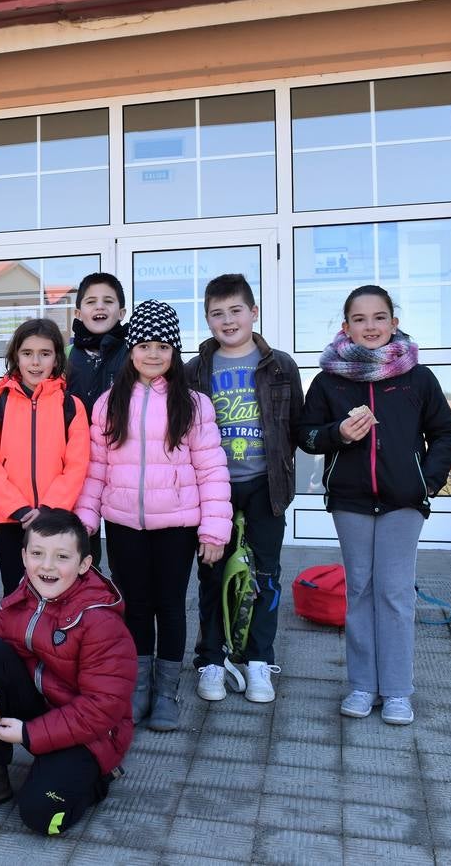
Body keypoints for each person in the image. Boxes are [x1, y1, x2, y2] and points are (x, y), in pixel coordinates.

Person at [298, 285, 451, 726]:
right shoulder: (330, 380)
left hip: (402, 503)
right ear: (345, 327)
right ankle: (362, 686)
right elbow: (306, 435)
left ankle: (397, 691)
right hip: (350, 501)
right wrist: (339, 434)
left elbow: (446, 433)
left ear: (394, 321)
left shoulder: (417, 378)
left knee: (394, 593)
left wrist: (424, 482)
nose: (371, 326)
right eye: (360, 319)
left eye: (379, 317)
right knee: (360, 591)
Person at [74, 299, 231, 732]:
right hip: (124, 524)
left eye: (163, 345)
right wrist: (86, 519)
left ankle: (166, 691)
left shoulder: (194, 404)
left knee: (170, 607)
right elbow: (97, 467)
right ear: (131, 348)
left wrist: (215, 529)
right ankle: (139, 686)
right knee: (136, 607)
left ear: (175, 351)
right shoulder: (109, 403)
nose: (153, 354)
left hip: (178, 525)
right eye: (144, 344)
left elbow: (212, 468)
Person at [0, 508, 135, 833]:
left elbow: (103, 708)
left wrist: (30, 735)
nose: (47, 566)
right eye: (37, 554)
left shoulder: (101, 622)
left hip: (90, 730)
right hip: (41, 707)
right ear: (23, 556)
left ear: (84, 564)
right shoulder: (23, 598)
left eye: (61, 556)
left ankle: (95, 778)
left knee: (42, 817)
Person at [185, 274, 304, 705]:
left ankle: (258, 659)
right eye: (217, 313)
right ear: (207, 319)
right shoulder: (194, 369)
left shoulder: (281, 365)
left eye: (236, 310)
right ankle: (211, 659)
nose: (227, 319)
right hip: (212, 489)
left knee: (265, 575)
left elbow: (296, 427)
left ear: (253, 312)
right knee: (212, 573)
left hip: (264, 486)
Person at [0, 318, 90, 597]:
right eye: (27, 354)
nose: (35, 362)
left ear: (57, 358)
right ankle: (17, 641)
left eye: (45, 354)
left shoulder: (70, 406)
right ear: (16, 356)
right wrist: (19, 508)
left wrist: (50, 508)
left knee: (57, 592)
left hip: (57, 520)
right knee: (16, 592)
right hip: (12, 520)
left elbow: (76, 465)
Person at [65, 273, 130, 570]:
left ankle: (118, 603)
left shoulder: (133, 354)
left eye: (108, 301)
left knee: (124, 547)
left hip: (120, 460)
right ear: (78, 313)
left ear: (122, 312)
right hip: (76, 463)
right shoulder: (66, 355)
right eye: (91, 302)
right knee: (81, 541)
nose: (99, 307)